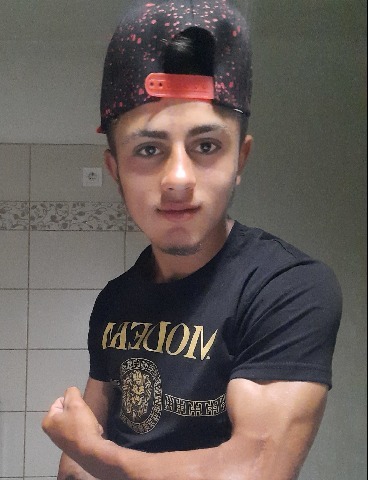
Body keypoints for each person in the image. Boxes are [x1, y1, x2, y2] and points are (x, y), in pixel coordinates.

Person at [42, 1, 342, 479]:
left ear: (240, 159)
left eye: (206, 146)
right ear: (115, 171)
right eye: (148, 149)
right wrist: (83, 453)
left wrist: (92, 451)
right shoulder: (115, 300)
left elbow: (254, 471)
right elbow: (74, 467)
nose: (178, 179)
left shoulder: (287, 289)